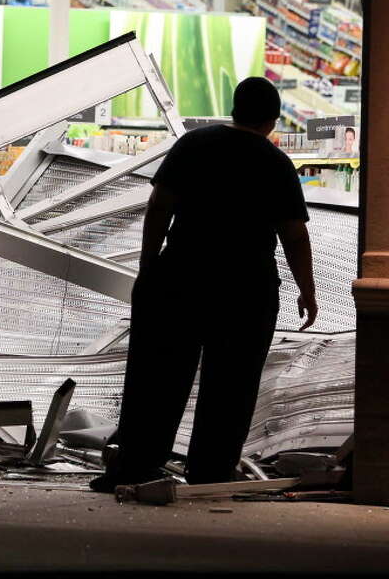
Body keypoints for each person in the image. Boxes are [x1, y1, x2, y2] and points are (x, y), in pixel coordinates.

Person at [90, 77, 318, 492]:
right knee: (231, 384)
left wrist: (149, 266)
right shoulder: (276, 163)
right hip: (246, 289)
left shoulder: (192, 145)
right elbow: (293, 234)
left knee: (158, 377)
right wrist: (307, 289)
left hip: (180, 277)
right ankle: (210, 472)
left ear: (233, 110)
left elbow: (160, 205)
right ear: (272, 120)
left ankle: (135, 464)